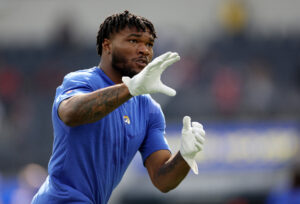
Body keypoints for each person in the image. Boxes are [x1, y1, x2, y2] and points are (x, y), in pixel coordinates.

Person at [31, 10, 206, 204]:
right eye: (134, 41)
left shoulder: (150, 110)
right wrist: (130, 88)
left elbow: (162, 180)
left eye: (149, 44)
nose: (144, 50)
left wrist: (185, 155)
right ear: (107, 46)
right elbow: (71, 113)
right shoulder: (81, 80)